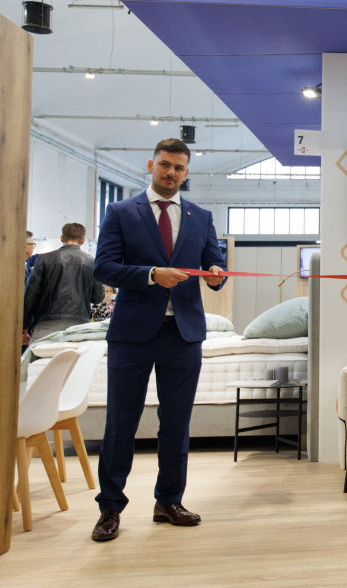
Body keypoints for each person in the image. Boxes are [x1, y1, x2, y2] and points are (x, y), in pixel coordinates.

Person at [90, 138, 226, 542]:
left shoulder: (201, 217)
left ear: (186, 173)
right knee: (121, 422)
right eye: (165, 165)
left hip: (183, 334)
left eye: (178, 168)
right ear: (151, 165)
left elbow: (214, 265)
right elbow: (104, 268)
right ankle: (110, 508)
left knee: (177, 423)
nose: (171, 173)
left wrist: (217, 275)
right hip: (132, 334)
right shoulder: (120, 212)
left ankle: (168, 501)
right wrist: (151, 275)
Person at [23, 222, 105, 343]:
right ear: (83, 240)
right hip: (78, 327)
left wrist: (23, 326)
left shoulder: (44, 260)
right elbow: (98, 297)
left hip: (46, 326)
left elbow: (30, 295)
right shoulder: (92, 263)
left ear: (62, 238)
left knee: (41, 355)